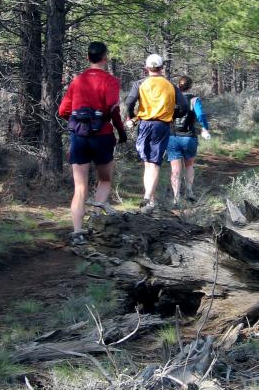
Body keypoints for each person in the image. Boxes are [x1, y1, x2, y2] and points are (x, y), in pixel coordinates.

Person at [58, 41, 126, 245]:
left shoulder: (77, 81)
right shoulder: (111, 81)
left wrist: (80, 121)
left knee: (80, 188)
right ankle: (95, 220)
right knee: (104, 180)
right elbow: (112, 107)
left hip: (79, 137)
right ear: (105, 57)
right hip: (103, 135)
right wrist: (121, 132)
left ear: (88, 58)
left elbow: (63, 111)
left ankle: (77, 232)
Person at [125, 54, 188, 214]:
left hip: (144, 124)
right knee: (153, 163)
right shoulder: (170, 85)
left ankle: (149, 199)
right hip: (162, 125)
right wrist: (173, 116)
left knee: (148, 163)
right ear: (161, 68)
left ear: (146, 68)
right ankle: (149, 198)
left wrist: (131, 116)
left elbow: (129, 102)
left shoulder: (139, 83)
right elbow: (184, 107)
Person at [167, 76, 210, 205]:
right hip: (189, 137)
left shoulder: (171, 98)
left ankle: (176, 197)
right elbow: (201, 115)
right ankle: (189, 191)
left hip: (173, 136)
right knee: (189, 165)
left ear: (178, 86)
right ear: (191, 86)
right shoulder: (194, 99)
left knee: (175, 168)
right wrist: (205, 128)